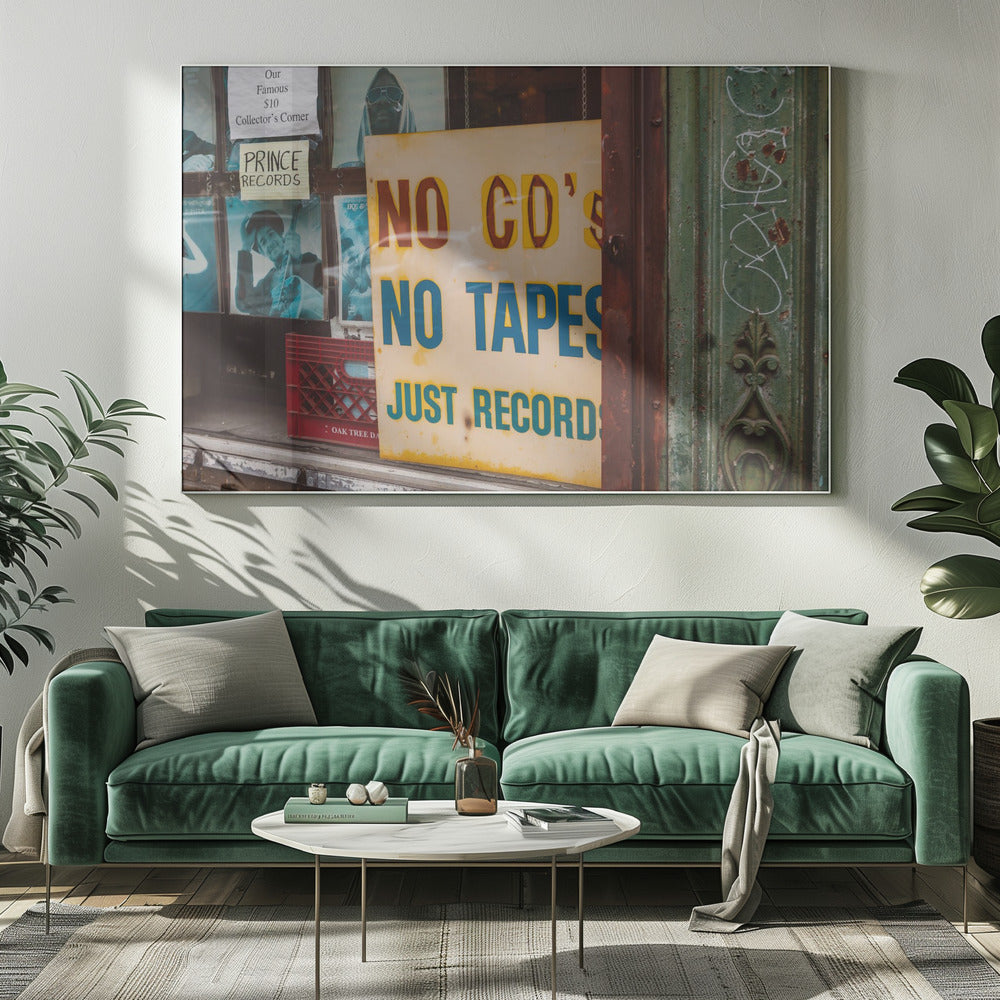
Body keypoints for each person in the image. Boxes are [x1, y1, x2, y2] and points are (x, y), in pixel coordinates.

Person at [234, 209, 323, 320]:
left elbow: (325, 291)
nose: (270, 243)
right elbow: (243, 303)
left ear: (281, 237)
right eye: (263, 242)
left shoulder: (308, 260)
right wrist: (246, 247)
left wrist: (297, 261)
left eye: (271, 234)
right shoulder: (263, 285)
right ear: (262, 252)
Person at [340, 67, 417, 166]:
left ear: (405, 106)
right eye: (374, 94)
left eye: (393, 92)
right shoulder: (348, 173)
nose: (382, 100)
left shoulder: (426, 169)